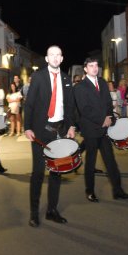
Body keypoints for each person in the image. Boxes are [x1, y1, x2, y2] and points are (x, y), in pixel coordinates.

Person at [24, 45, 76, 227]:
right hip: (40, 131)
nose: (55, 58)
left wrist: (71, 126)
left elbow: (69, 106)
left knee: (56, 172)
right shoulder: (38, 77)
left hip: (59, 132)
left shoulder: (66, 79)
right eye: (51, 55)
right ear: (46, 59)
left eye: (58, 55)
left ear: (62, 59)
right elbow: (29, 104)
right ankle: (33, 213)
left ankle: (51, 210)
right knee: (38, 173)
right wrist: (27, 127)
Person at [74, 57, 128, 203]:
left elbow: (108, 102)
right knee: (90, 162)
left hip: (104, 129)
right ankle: (90, 191)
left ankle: (118, 191)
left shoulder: (102, 83)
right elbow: (85, 109)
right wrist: (102, 119)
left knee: (111, 161)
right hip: (91, 130)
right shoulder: (80, 87)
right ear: (86, 69)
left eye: (96, 65)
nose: (95, 68)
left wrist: (110, 117)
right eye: (91, 66)